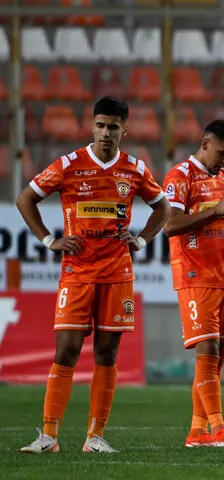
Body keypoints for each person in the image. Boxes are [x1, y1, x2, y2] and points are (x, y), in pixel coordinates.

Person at [18, 97, 170, 454]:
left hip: (118, 273)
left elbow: (162, 207)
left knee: (107, 351)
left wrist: (143, 240)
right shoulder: (69, 165)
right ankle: (49, 437)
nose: (106, 133)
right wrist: (49, 240)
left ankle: (95, 437)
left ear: (124, 129)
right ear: (92, 126)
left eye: (113, 126)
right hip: (77, 272)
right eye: (100, 125)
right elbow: (26, 198)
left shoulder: (134, 169)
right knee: (67, 349)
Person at [162, 119, 224, 448]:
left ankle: (197, 431)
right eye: (222, 152)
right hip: (195, 274)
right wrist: (215, 211)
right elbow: (170, 225)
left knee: (219, 356)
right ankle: (219, 428)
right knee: (207, 349)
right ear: (205, 143)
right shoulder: (180, 176)